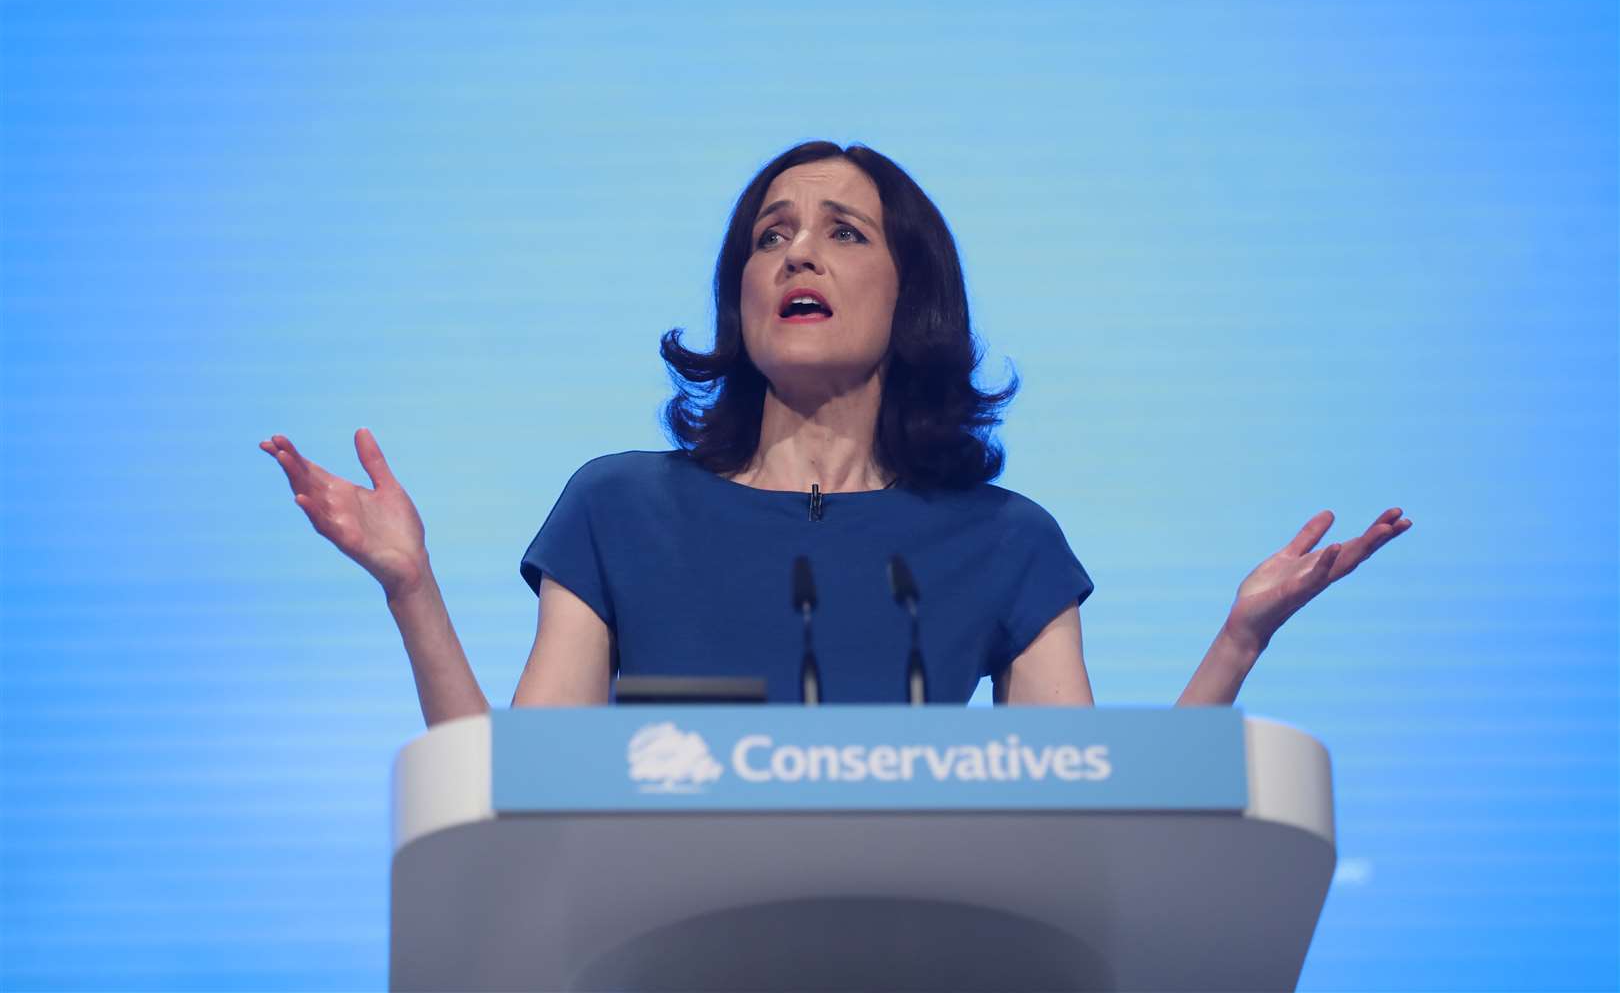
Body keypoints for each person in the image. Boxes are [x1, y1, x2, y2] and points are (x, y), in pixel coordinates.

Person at [261, 141, 1411, 727]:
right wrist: (409, 588)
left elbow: (1087, 815)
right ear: (742, 292)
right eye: (770, 236)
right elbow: (513, 804)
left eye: (843, 233)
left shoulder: (1005, 543)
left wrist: (1238, 646)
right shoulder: (619, 509)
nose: (797, 254)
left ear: (911, 295)